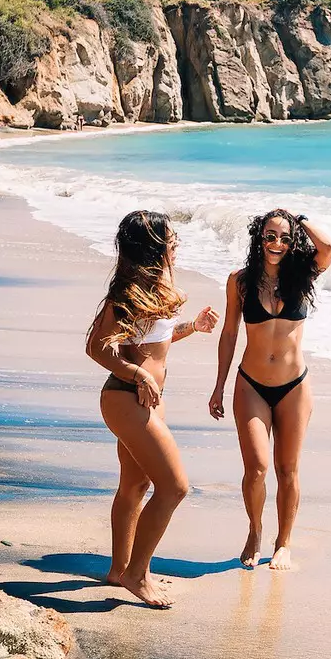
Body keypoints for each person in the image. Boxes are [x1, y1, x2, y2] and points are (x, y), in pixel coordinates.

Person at [85, 210, 217, 608]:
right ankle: (137, 574)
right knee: (175, 487)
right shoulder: (125, 294)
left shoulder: (155, 288)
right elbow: (96, 348)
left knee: (135, 485)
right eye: (172, 240)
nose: (176, 246)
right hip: (126, 397)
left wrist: (192, 327)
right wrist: (138, 374)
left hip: (145, 400)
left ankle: (119, 569)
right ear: (153, 247)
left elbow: (154, 342)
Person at [209, 209, 331, 571]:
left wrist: (299, 219)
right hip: (251, 384)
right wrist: (218, 386)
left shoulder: (303, 274)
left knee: (288, 469)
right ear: (259, 238)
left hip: (294, 387)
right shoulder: (240, 281)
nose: (276, 243)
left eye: (284, 237)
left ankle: (283, 543)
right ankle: (255, 529)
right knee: (257, 468)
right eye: (269, 236)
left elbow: (328, 249)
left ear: (293, 241)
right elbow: (229, 333)